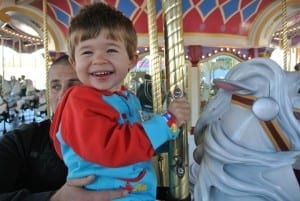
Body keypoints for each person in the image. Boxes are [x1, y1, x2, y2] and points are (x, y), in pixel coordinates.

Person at [50, 2, 190, 201]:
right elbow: (112, 148)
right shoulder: (80, 101)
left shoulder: (127, 98)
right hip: (109, 194)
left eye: (111, 51)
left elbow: (138, 145)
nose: (99, 60)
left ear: (131, 60)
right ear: (74, 62)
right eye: (87, 52)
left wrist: (172, 135)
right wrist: (167, 121)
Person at [0, 55, 128, 201]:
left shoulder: (120, 137)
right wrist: (55, 198)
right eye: (55, 87)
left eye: (74, 86)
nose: (63, 95)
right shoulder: (20, 141)